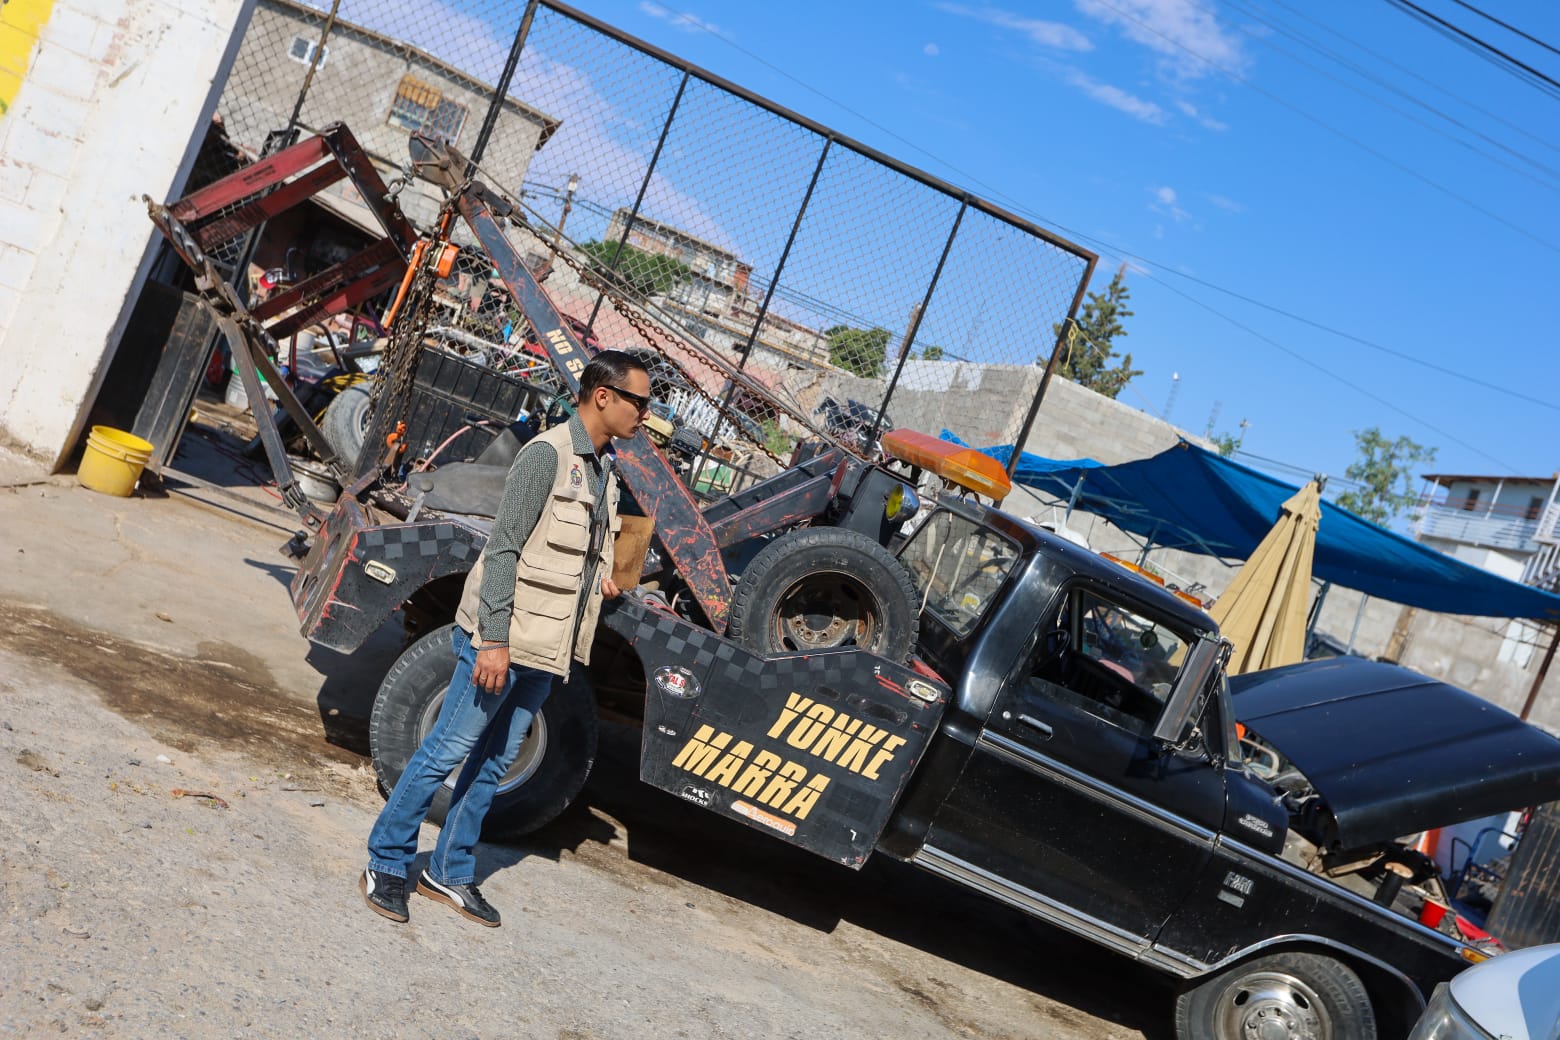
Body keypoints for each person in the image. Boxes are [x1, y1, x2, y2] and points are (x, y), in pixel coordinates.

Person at [360, 349, 652, 927]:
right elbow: (504, 551)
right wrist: (493, 641)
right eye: (638, 402)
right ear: (603, 397)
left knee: (493, 763)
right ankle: (386, 861)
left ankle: (449, 870)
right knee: (445, 751)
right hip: (506, 641)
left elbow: (569, 552)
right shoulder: (547, 455)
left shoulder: (603, 466)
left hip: (547, 650)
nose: (646, 414)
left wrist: (602, 578)